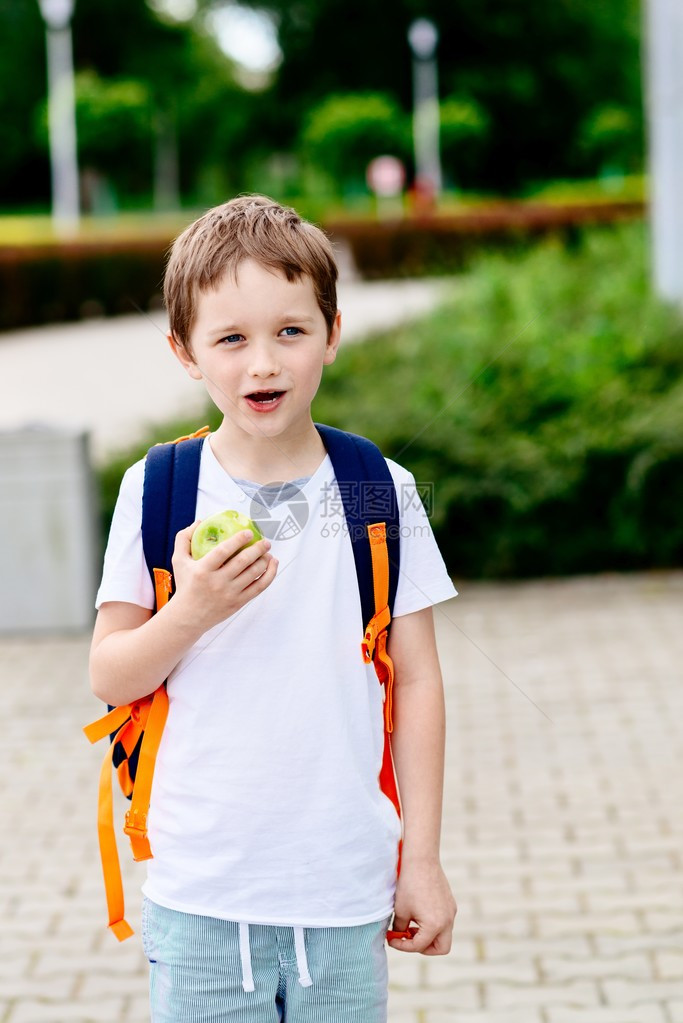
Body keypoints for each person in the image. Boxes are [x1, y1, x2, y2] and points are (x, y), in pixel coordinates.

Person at [90, 195, 457, 1022]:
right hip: (201, 891)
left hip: (345, 884)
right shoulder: (158, 488)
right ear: (184, 352)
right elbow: (109, 674)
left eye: (290, 331)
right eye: (231, 338)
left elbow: (420, 684)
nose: (263, 363)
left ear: (332, 331)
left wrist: (421, 860)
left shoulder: (376, 487)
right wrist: (191, 610)